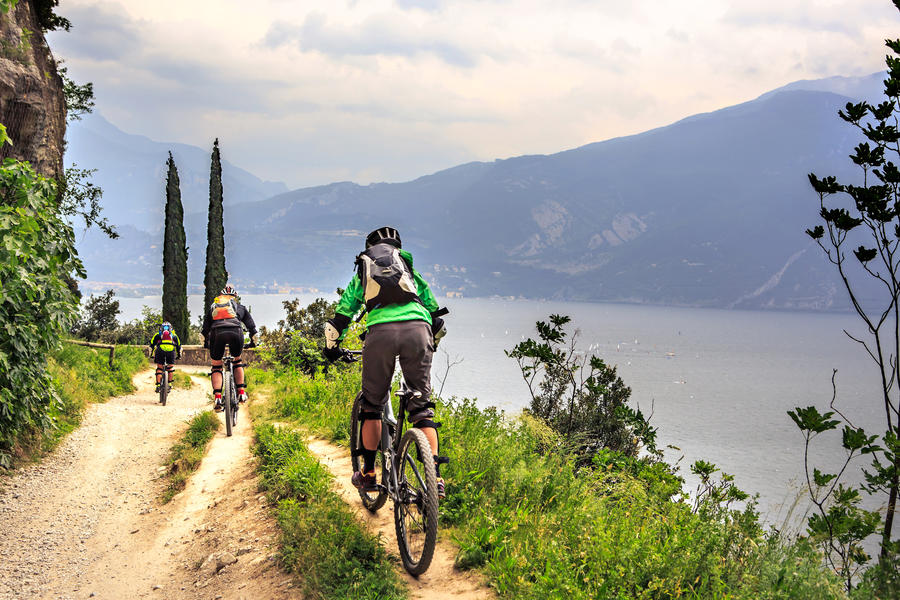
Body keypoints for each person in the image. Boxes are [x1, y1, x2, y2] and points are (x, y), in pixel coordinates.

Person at [323, 226, 449, 497]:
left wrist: (332, 347)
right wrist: (431, 342)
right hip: (418, 329)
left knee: (372, 407)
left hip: (381, 333)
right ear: (397, 249)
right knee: (422, 409)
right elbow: (435, 315)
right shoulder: (408, 269)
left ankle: (368, 473)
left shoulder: (364, 270)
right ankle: (435, 477)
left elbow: (343, 314)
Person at [201, 284, 259, 412]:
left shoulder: (213, 309)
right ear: (234, 298)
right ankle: (241, 392)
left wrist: (206, 344)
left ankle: (217, 397)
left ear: (220, 297)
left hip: (217, 334)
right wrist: (253, 343)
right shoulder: (240, 308)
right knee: (237, 360)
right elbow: (252, 329)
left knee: (216, 365)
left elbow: (204, 331)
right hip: (236, 332)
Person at [148, 321, 181, 394]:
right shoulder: (174, 335)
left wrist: (151, 354)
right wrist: (179, 355)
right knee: (170, 368)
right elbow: (179, 346)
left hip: (160, 351)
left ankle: (158, 385)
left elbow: (151, 345)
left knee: (159, 368)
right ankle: (169, 384)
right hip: (171, 351)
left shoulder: (157, 335)